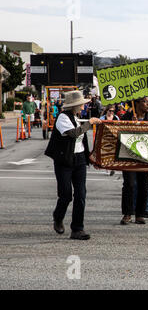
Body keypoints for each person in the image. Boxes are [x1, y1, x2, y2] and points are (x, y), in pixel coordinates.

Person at [44, 91, 102, 240]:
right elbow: (73, 134)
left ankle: (77, 229)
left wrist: (90, 157)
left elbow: (81, 141)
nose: (83, 107)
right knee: (65, 195)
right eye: (82, 104)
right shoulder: (63, 118)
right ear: (75, 105)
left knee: (81, 194)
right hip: (65, 161)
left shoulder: (76, 118)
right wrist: (89, 123)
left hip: (79, 159)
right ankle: (58, 217)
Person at [120, 97, 148, 225]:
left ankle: (140, 214)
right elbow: (119, 132)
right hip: (128, 156)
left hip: (145, 156)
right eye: (145, 102)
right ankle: (127, 213)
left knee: (144, 185)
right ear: (137, 104)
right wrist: (129, 124)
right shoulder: (127, 117)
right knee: (129, 184)